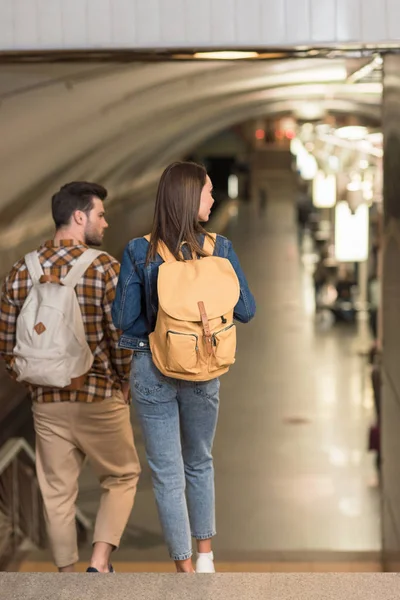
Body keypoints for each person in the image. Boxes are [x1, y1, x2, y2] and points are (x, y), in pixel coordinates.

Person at [112, 162, 256, 574]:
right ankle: (206, 557)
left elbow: (123, 319)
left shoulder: (139, 250)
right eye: (208, 192)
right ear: (190, 198)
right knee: (199, 460)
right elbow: (246, 310)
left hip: (151, 368)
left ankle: (184, 569)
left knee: (167, 471)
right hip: (204, 367)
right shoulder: (220, 248)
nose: (213, 198)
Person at [0, 182, 141, 573]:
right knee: (122, 475)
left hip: (46, 403)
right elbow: (122, 337)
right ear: (79, 217)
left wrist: (33, 380)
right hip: (99, 398)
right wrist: (125, 380)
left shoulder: (20, 270)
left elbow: (6, 342)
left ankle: (65, 577)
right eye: (100, 215)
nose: (105, 223)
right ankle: (98, 563)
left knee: (57, 493)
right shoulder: (105, 268)